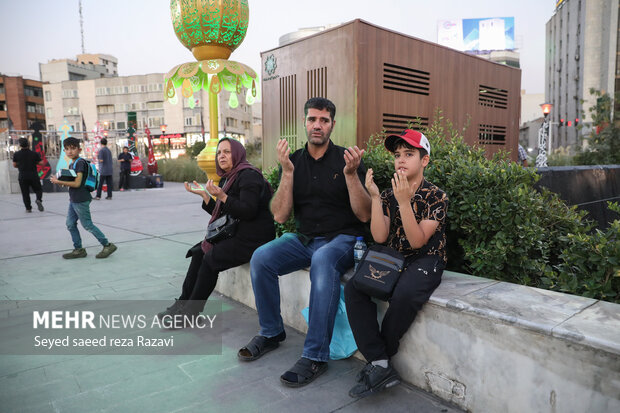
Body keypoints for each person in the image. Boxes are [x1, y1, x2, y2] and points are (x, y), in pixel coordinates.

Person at [238, 97, 371, 388]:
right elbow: (280, 214)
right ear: (304, 123)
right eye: (312, 119)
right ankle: (272, 332)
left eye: (324, 120)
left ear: (333, 125)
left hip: (343, 239)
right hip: (304, 238)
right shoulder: (294, 161)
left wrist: (350, 176)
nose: (317, 125)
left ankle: (315, 356)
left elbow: (364, 214)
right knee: (262, 257)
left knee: (323, 260)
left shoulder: (348, 160)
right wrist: (286, 172)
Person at [344, 129, 448, 398]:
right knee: (355, 287)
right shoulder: (390, 194)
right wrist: (377, 198)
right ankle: (379, 362)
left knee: (404, 295)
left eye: (409, 154)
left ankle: (380, 358)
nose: (401, 160)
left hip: (427, 259)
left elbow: (417, 242)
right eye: (398, 155)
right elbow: (379, 236)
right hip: (395, 258)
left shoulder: (436, 196)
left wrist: (404, 202)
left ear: (424, 160)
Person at [157, 138, 275, 321]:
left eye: (227, 152)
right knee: (199, 251)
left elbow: (248, 211)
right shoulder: (229, 177)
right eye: (219, 152)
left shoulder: (248, 176)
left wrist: (222, 196)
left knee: (210, 258)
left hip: (254, 237)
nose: (222, 156)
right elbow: (224, 217)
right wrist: (206, 196)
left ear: (237, 154)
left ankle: (190, 313)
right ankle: (181, 304)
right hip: (239, 231)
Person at [50, 137, 118, 259]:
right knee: (70, 224)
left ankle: (107, 245)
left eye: (72, 148)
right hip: (74, 199)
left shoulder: (80, 163)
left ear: (79, 149)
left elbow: (77, 184)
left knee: (87, 225)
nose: (69, 151)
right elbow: (73, 183)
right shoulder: (72, 164)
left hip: (81, 199)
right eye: (66, 149)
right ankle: (79, 249)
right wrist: (59, 181)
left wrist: (59, 182)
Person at [12, 137, 44, 213]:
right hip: (33, 175)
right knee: (38, 189)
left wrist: (20, 165)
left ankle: (28, 208)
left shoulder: (16, 154)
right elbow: (42, 163)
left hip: (22, 176)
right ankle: (38, 199)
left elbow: (14, 165)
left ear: (20, 145)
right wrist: (34, 162)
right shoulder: (34, 153)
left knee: (25, 193)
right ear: (28, 144)